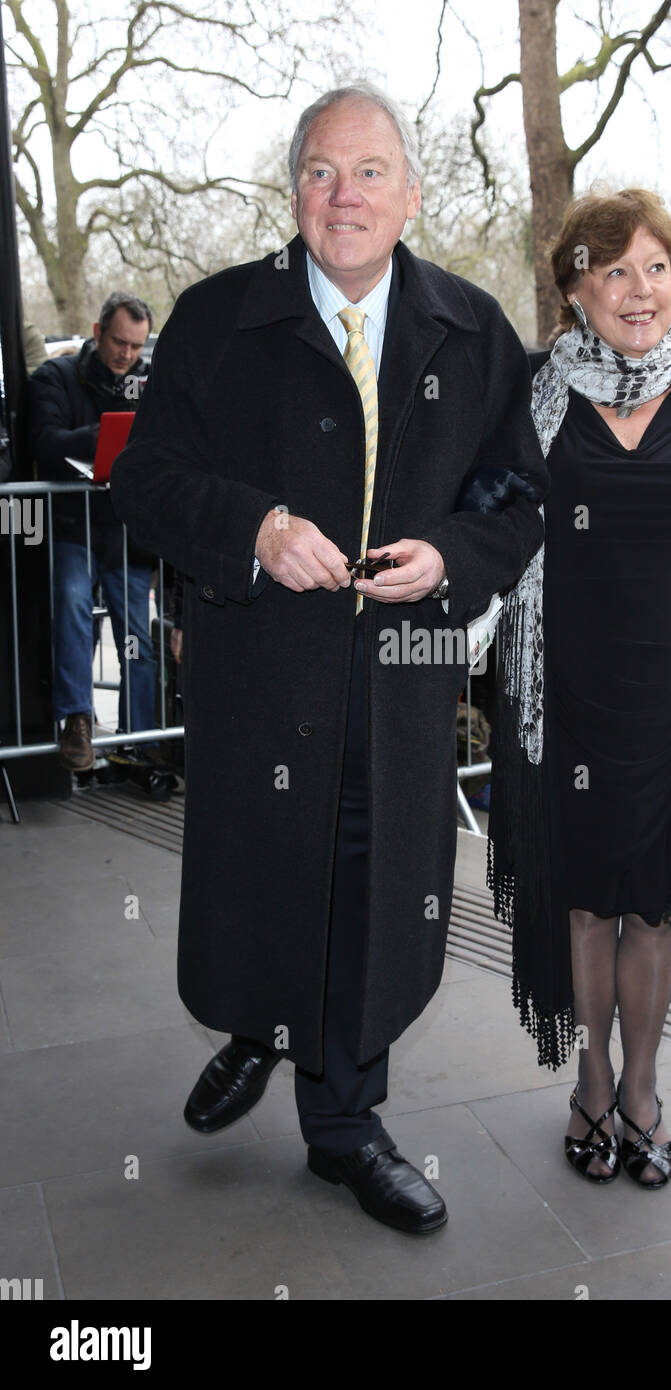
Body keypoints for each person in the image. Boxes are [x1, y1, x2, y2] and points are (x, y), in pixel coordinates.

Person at [110, 82, 547, 1236]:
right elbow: (145, 481)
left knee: (366, 890)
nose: (341, 195)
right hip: (265, 677)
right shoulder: (215, 319)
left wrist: (451, 553)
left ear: (409, 194)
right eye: (317, 171)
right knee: (267, 878)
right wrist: (253, 527)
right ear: (291, 190)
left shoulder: (472, 326)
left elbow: (515, 495)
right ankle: (262, 1025)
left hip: (400, 678)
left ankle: (343, 1125)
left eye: (366, 173)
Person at [488, 188, 671, 1189]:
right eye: (611, 268)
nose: (637, 287)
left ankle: (641, 1092)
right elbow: (492, 527)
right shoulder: (533, 391)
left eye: (654, 267)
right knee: (584, 904)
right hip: (568, 692)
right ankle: (587, 1081)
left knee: (652, 908)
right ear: (573, 286)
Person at [29, 291, 157, 770]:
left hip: (126, 532)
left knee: (136, 639)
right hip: (71, 528)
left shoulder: (151, 383)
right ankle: (76, 721)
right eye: (120, 342)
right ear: (99, 332)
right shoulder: (55, 377)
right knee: (72, 609)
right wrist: (110, 435)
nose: (127, 355)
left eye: (136, 347)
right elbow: (44, 443)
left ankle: (141, 740)